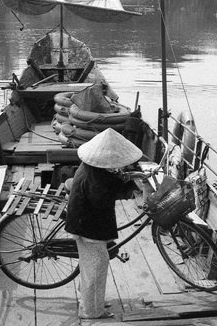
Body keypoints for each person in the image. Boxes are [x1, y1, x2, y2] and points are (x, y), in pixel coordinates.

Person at [64, 128, 147, 319]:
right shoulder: (96, 178)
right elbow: (103, 197)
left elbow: (109, 184)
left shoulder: (92, 168)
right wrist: (126, 184)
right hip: (87, 226)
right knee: (97, 265)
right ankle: (91, 311)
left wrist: (125, 178)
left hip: (82, 221)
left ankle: (89, 300)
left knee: (90, 263)